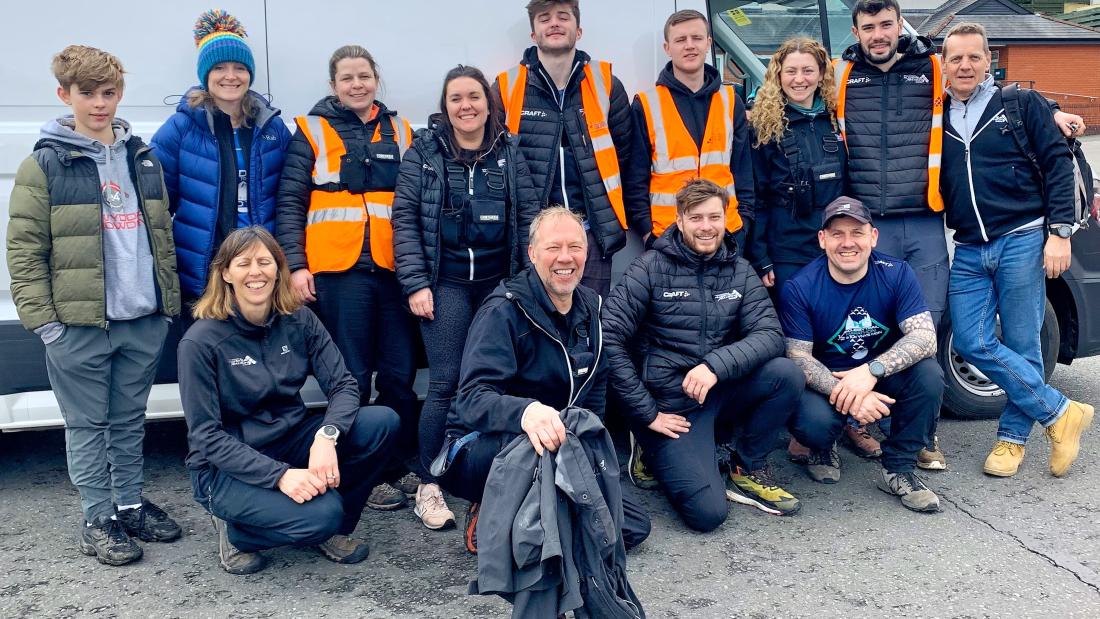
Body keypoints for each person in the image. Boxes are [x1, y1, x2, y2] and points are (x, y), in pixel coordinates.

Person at [834, 0, 1084, 466]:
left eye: (887, 23)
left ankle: (998, 439)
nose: (879, 34)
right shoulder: (847, 77)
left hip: (983, 231)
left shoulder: (935, 71)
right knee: (895, 331)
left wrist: (1050, 112)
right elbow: (792, 91)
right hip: (925, 234)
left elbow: (1027, 119)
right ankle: (1057, 412)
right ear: (857, 31)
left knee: (974, 334)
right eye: (869, 27)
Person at [6, 46, 182, 566]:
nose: (99, 104)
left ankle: (128, 505)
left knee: (129, 420)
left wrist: (163, 308)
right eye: (87, 93)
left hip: (141, 319)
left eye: (108, 93)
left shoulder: (142, 159)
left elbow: (160, 235)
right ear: (65, 95)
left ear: (120, 94)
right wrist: (46, 325)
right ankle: (96, 517)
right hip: (79, 325)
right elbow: (24, 250)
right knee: (87, 426)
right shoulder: (44, 165)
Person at [178, 227, 399, 575]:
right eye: (244, 263)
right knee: (320, 516)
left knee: (381, 422)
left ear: (278, 269)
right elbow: (206, 435)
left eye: (265, 262)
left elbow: (343, 385)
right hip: (225, 465)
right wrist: (280, 476)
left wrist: (327, 436)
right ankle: (238, 532)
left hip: (289, 438)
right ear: (225, 273)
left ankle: (331, 526)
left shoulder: (299, 319)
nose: (256, 272)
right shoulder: (200, 342)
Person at [437, 207, 651, 554]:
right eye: (553, 247)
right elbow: (471, 400)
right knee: (551, 534)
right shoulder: (503, 311)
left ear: (587, 252)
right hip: (486, 447)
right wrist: (527, 412)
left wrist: (591, 446)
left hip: (560, 444)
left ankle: (543, 511)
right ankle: (491, 504)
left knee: (632, 529)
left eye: (575, 247)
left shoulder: (592, 307)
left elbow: (595, 392)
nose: (565, 258)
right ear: (532, 253)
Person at [603, 178, 805, 530]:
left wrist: (715, 365)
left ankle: (747, 464)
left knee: (785, 374)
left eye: (714, 217)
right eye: (696, 218)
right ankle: (649, 444)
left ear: (726, 219)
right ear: (679, 220)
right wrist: (646, 413)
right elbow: (608, 339)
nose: (707, 227)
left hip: (719, 388)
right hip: (671, 406)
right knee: (707, 515)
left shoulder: (740, 271)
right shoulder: (648, 268)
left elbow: (771, 335)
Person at [939, 23, 1093, 478]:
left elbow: (1057, 164)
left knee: (1024, 343)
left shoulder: (1021, 104)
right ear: (943, 66)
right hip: (969, 246)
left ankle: (1011, 442)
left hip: (1023, 237)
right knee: (971, 340)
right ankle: (1061, 412)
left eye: (973, 57)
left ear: (990, 60)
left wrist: (1060, 232)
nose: (964, 66)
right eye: (955, 59)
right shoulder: (937, 115)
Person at [392, 65, 541, 530]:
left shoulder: (509, 149)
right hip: (446, 285)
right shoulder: (423, 151)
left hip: (500, 286)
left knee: (500, 381)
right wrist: (416, 283)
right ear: (445, 105)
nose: (466, 106)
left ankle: (491, 474)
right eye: (456, 98)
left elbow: (530, 216)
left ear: (487, 102)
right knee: (446, 382)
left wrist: (525, 284)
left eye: (474, 96)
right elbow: (405, 221)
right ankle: (430, 483)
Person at [276, 45, 420, 513]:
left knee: (400, 372)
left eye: (363, 76)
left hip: (392, 267)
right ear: (333, 85)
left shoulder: (401, 130)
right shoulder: (310, 130)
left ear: (375, 78)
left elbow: (417, 198)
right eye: (346, 78)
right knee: (352, 375)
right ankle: (362, 470)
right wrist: (296, 266)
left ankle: (399, 464)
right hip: (337, 271)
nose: (356, 84)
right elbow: (290, 203)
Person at [781, 197, 943, 513]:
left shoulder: (897, 273)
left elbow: (925, 338)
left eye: (857, 232)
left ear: (873, 236)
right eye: (837, 234)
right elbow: (797, 357)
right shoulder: (800, 286)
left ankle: (898, 468)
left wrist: (871, 371)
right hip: (828, 384)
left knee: (929, 375)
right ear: (822, 239)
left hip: (878, 377)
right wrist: (851, 395)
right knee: (813, 421)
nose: (847, 243)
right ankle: (821, 447)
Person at [493, 0, 633, 298]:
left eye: (563, 17)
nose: (554, 23)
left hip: (591, 233)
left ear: (578, 30)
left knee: (591, 323)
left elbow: (625, 156)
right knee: (539, 327)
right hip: (536, 236)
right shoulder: (507, 87)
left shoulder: (606, 84)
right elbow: (496, 161)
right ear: (533, 34)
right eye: (544, 18)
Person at [152, 9, 291, 308]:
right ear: (206, 75)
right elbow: (156, 206)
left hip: (261, 267)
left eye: (239, 67)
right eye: (219, 68)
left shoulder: (272, 128)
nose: (231, 76)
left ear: (249, 74)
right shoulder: (180, 128)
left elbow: (291, 199)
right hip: (206, 268)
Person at [625, 9, 755, 253]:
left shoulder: (730, 101)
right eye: (680, 40)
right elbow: (635, 181)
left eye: (696, 38)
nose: (689, 46)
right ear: (667, 47)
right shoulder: (646, 105)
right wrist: (647, 235)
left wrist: (744, 226)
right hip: (668, 238)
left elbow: (743, 172)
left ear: (708, 43)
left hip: (725, 234)